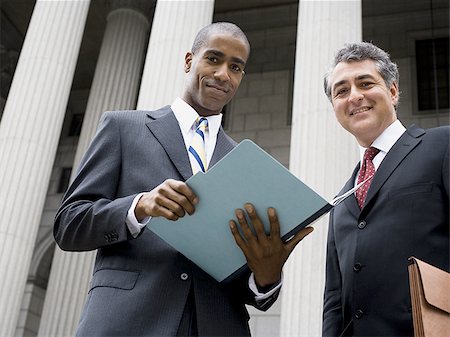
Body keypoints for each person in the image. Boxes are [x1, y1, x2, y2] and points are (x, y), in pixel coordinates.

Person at [54, 22, 311, 337]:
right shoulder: (123, 128)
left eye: (235, 67)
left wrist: (266, 277)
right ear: (190, 60)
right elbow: (69, 224)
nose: (222, 74)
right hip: (128, 322)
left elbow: (250, 284)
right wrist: (139, 206)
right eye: (213, 59)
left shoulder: (246, 165)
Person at [321, 41, 449, 336]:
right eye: (341, 91)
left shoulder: (442, 145)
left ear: (392, 92)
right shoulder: (342, 200)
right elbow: (334, 301)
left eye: (365, 83)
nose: (354, 96)